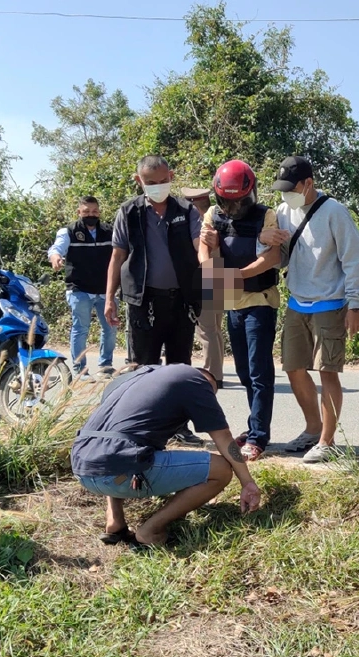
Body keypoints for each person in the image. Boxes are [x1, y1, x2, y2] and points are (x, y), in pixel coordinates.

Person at [240, 156, 359, 464]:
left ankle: (327, 440)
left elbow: (354, 260)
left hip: (331, 302)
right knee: (294, 368)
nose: (286, 194)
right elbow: (281, 256)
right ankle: (313, 430)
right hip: (297, 301)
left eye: (292, 188)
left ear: (308, 183)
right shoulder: (284, 211)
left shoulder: (334, 212)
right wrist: (264, 241)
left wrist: (355, 304)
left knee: (328, 371)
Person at [70, 364, 262, 548]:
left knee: (119, 447)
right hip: (115, 474)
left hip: (82, 467)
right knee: (221, 470)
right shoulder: (196, 381)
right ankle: (150, 531)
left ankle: (115, 522)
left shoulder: (137, 378)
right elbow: (224, 438)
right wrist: (247, 482)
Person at [105, 155, 205, 445]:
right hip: (142, 302)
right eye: (151, 183)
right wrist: (109, 298)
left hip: (181, 302)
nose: (158, 187)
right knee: (142, 368)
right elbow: (117, 256)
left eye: (163, 181)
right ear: (139, 181)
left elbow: (200, 248)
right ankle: (140, 427)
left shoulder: (186, 210)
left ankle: (178, 427)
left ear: (171, 176)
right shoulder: (129, 212)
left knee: (179, 369)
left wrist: (210, 264)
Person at [198, 159, 282, 462]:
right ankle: (253, 426)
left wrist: (237, 275)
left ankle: (259, 436)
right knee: (245, 372)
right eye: (227, 202)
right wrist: (211, 269)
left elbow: (271, 258)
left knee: (260, 372)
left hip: (259, 299)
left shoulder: (266, 215)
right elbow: (204, 248)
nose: (232, 209)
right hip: (232, 299)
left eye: (238, 202)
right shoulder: (213, 213)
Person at [48, 195, 116, 378]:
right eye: (86, 212)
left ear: (99, 212)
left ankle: (106, 366)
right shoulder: (68, 231)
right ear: (79, 212)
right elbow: (56, 249)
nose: (90, 215)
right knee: (81, 329)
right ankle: (80, 370)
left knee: (110, 328)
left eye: (94, 211)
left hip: (105, 290)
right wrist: (55, 258)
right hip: (79, 289)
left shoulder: (110, 231)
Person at [183, 187, 225, 388]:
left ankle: (212, 375)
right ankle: (218, 371)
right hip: (224, 275)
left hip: (208, 275)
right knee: (215, 328)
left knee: (206, 330)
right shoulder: (220, 218)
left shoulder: (201, 226)